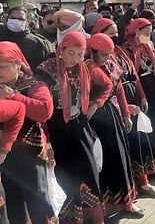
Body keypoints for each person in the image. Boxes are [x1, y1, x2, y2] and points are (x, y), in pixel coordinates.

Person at [36, 31, 112, 224]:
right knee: (65, 173)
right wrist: (47, 141)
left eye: (80, 54)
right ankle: (69, 219)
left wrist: (95, 104)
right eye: (72, 53)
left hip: (79, 125)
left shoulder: (85, 68)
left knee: (88, 171)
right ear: (61, 50)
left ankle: (93, 216)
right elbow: (39, 106)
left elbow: (107, 85)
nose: (76, 59)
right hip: (56, 128)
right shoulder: (46, 70)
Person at [86, 33, 143, 215]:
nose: (108, 58)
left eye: (109, 53)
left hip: (111, 116)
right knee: (100, 161)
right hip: (93, 120)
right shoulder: (86, 68)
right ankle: (103, 206)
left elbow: (119, 90)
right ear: (92, 52)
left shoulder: (111, 65)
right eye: (103, 54)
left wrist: (126, 115)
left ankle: (126, 202)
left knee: (120, 157)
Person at [0, 42, 55, 224]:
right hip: (4, 155)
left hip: (30, 154)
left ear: (17, 64)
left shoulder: (33, 84)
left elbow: (45, 111)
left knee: (38, 202)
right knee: (12, 204)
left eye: (2, 66)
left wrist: (14, 96)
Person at [0, 6, 54, 70]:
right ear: (7, 20)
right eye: (13, 18)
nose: (16, 21)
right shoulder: (1, 38)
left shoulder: (39, 42)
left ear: (27, 22)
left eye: (21, 19)